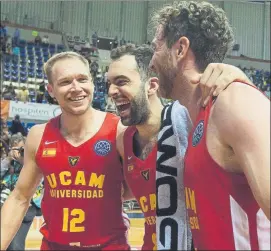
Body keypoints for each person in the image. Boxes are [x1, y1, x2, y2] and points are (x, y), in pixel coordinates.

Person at [108, 44, 254, 250]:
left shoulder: (188, 121)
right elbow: (120, 190)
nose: (112, 91)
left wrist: (237, 81)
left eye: (121, 82)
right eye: (109, 83)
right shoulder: (124, 141)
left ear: (152, 86)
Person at [150, 1, 270, 250]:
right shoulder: (195, 118)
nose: (152, 62)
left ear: (180, 48)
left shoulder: (233, 101)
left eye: (156, 47)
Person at [1, 51, 130, 251]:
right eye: (65, 82)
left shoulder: (119, 130)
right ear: (50, 90)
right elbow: (20, 197)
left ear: (93, 83)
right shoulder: (38, 135)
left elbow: (143, 187)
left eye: (82, 79)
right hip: (54, 245)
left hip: (109, 246)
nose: (76, 88)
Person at [0, 134, 43, 251]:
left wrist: (25, 161)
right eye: (16, 149)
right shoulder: (7, 163)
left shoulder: (34, 162)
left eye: (22, 150)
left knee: (15, 246)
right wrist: (8, 159)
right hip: (4, 205)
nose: (19, 153)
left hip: (26, 208)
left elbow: (38, 181)